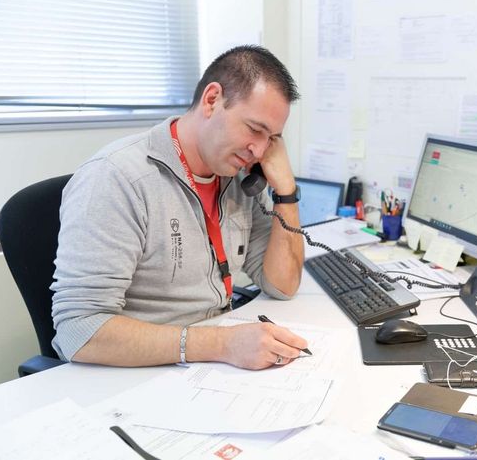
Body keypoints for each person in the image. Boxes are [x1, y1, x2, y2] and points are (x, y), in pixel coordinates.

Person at [51, 45, 307, 369]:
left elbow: (282, 285)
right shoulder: (117, 177)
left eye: (272, 139)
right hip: (138, 374)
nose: (259, 150)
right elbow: (78, 330)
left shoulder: (236, 177)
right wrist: (222, 344)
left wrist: (286, 192)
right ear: (212, 100)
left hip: (208, 366)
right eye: (255, 129)